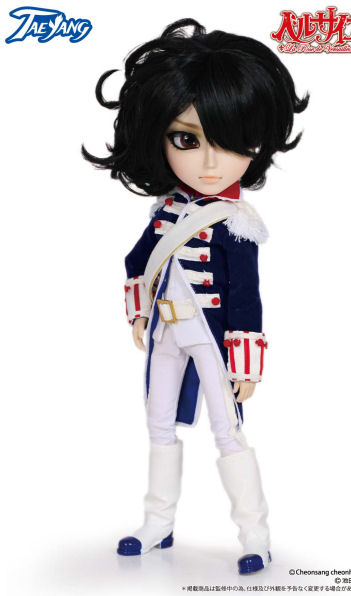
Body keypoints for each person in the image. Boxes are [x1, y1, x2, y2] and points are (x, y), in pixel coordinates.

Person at [82, 17, 309, 575]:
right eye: (187, 139)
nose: (210, 162)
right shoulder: (167, 211)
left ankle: (255, 536)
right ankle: (157, 523)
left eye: (233, 141)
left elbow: (247, 297)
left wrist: (245, 361)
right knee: (159, 424)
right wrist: (139, 313)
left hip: (211, 336)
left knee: (228, 431)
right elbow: (138, 261)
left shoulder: (236, 221)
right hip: (165, 331)